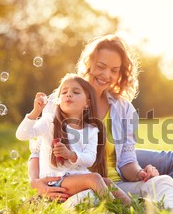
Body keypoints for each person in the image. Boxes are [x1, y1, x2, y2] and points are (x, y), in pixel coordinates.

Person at [28, 35, 173, 212]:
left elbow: (127, 162)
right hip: (74, 188)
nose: (106, 75)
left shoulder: (124, 109)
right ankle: (124, 212)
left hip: (115, 188)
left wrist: (141, 173)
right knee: (86, 199)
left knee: (163, 182)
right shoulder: (59, 101)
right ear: (88, 64)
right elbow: (36, 153)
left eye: (114, 70)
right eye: (101, 67)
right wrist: (36, 184)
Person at [16, 73, 123, 203]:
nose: (69, 94)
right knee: (94, 178)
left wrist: (71, 154)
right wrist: (36, 112)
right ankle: (115, 209)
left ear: (87, 103)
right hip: (55, 181)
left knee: (107, 182)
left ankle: (132, 207)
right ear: (58, 100)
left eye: (76, 92)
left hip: (76, 178)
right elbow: (22, 134)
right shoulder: (49, 122)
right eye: (64, 92)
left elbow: (90, 159)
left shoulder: (91, 130)